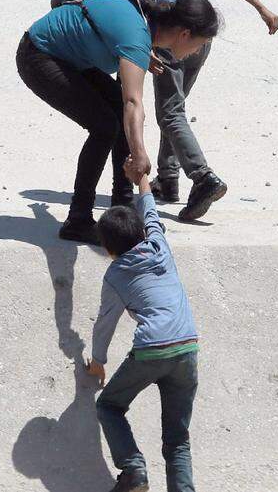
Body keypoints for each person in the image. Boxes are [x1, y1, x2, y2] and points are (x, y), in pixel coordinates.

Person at [114, 0, 278, 221]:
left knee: (169, 111)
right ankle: (169, 180)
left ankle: (202, 177)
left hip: (170, 35)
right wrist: (261, 7)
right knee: (173, 106)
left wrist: (140, 44)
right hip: (202, 33)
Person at [17, 0, 220, 243]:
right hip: (38, 55)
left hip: (70, 57)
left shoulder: (144, 28)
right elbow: (133, 102)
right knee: (104, 126)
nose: (196, 51)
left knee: (114, 113)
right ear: (184, 34)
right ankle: (78, 220)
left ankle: (123, 212)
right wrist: (140, 153)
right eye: (200, 44)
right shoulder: (137, 39)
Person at [85, 160, 200, 492]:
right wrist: (142, 179)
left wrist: (98, 362)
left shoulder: (116, 273)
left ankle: (133, 469)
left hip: (152, 348)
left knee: (109, 405)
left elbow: (105, 324)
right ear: (141, 232)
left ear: (108, 250)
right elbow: (150, 210)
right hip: (188, 346)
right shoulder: (159, 244)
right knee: (178, 439)